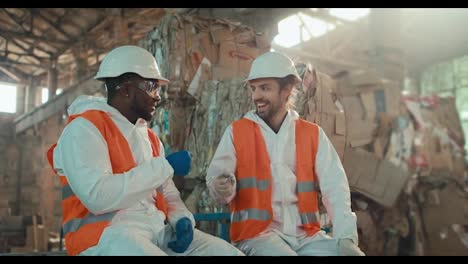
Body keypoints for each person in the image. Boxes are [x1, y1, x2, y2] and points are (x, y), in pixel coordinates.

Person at [47, 45, 244, 256]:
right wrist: (164, 166)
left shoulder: (149, 137)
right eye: (152, 86)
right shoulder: (83, 129)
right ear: (125, 89)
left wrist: (181, 217)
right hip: (106, 237)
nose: (158, 96)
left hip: (154, 231)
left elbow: (166, 190)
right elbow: (97, 196)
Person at [206, 52, 364, 256]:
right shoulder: (237, 132)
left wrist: (346, 238)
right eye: (253, 88)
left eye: (265, 88)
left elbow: (335, 188)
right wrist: (221, 186)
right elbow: (217, 179)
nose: (256, 96)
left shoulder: (312, 134)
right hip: (257, 236)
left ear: (287, 89)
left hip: (306, 237)